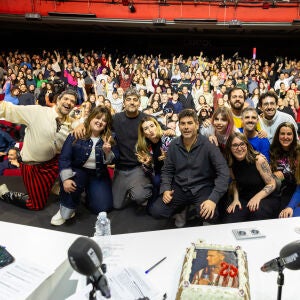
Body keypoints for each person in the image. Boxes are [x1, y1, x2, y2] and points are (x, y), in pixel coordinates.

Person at [149, 109, 229, 225]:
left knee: (210, 215)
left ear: (197, 125)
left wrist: (213, 199)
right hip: (179, 188)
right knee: (156, 211)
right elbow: (167, 171)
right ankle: (182, 209)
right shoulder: (174, 145)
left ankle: (194, 210)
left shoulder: (208, 145)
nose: (186, 127)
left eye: (190, 123)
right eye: (183, 123)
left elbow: (223, 172)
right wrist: (166, 189)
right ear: (179, 126)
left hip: (202, 187)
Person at [0, 89, 77, 210]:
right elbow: (10, 110)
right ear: (58, 100)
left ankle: (53, 185)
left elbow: (85, 125)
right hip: (33, 166)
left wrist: (82, 124)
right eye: (66, 99)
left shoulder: (72, 123)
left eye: (73, 101)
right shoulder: (38, 112)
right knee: (36, 205)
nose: (69, 102)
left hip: (53, 165)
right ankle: (6, 194)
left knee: (75, 160)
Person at [51, 106, 119, 225]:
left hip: (98, 174)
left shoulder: (109, 137)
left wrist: (107, 152)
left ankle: (87, 193)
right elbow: (64, 158)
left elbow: (114, 160)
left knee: (102, 208)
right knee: (66, 213)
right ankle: (66, 202)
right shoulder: (76, 133)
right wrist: (66, 179)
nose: (100, 122)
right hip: (78, 172)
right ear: (91, 118)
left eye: (104, 120)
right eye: (97, 118)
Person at [223, 132, 280, 223]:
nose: (239, 148)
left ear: (247, 145)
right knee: (232, 217)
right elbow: (234, 182)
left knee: (256, 214)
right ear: (230, 148)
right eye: (235, 145)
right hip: (244, 197)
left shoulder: (258, 160)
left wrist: (257, 197)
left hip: (265, 197)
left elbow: (272, 184)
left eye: (242, 144)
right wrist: (236, 199)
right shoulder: (230, 162)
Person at [135, 116, 174, 205]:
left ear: (157, 126)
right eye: (146, 128)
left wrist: (168, 159)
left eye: (152, 126)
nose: (150, 130)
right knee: (150, 208)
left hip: (172, 175)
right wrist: (147, 164)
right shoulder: (144, 147)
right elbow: (148, 171)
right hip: (157, 176)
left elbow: (180, 163)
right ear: (144, 133)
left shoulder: (168, 139)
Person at [270, 122, 299, 211]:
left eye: (289, 134)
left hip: (294, 192)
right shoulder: (271, 150)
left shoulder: (298, 152)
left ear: (294, 136)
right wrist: (272, 173)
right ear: (278, 135)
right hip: (275, 192)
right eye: (282, 133)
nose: (285, 137)